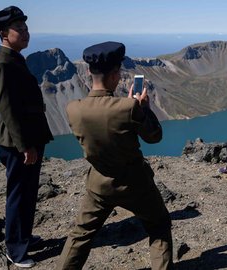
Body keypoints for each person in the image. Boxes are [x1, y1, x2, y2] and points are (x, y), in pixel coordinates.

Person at [57, 42, 174, 270]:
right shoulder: (127, 107)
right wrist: (143, 109)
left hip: (99, 185)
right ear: (115, 75)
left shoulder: (73, 108)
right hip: (136, 185)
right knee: (159, 226)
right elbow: (154, 136)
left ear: (89, 72)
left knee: (81, 235)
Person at [0, 6, 53, 268]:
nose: (26, 33)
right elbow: (8, 110)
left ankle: (24, 237)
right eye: (20, 30)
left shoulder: (14, 59)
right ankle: (15, 249)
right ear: (4, 33)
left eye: (26, 29)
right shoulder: (3, 64)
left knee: (28, 192)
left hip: (28, 139)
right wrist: (24, 145)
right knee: (18, 195)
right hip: (18, 144)